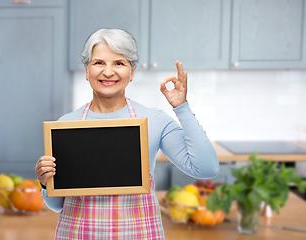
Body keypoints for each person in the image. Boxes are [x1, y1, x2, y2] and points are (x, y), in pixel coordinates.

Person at [35, 28, 219, 239]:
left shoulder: (154, 120)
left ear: (132, 72)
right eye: (99, 63)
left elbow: (207, 168)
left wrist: (181, 107)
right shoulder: (66, 125)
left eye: (119, 63)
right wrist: (45, 181)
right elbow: (57, 205)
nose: (108, 72)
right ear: (87, 70)